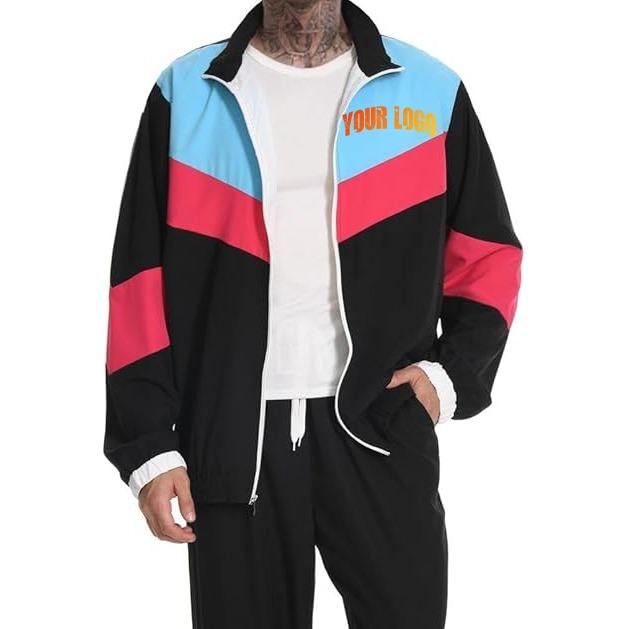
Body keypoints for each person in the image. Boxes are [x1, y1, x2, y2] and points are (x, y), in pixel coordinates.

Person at [104, 1, 522, 627]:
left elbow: (487, 255)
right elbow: (138, 281)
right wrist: (149, 447)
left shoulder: (430, 91)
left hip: (381, 420)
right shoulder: (187, 93)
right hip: (231, 434)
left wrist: (449, 377)